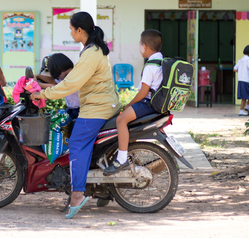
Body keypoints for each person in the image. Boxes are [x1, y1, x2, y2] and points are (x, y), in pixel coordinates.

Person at [31, 12, 121, 219]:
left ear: (80, 30)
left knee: (76, 144)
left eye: (71, 29)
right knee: (88, 146)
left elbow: (71, 83)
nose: (71, 33)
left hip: (97, 108)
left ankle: (78, 194)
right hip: (102, 104)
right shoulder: (93, 50)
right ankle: (102, 189)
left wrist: (43, 94)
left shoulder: (90, 53)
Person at [104, 30, 163, 175]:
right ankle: (133, 155)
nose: (139, 47)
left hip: (148, 104)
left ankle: (122, 159)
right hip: (156, 103)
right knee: (129, 122)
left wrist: (128, 104)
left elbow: (143, 93)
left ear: (145, 46)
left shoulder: (150, 66)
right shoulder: (161, 60)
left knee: (121, 120)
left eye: (140, 44)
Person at [36, 53, 80, 121]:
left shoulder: (72, 78)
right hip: (72, 109)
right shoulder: (64, 77)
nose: (68, 75)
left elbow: (56, 86)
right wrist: (38, 76)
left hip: (79, 111)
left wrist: (37, 84)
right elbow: (54, 81)